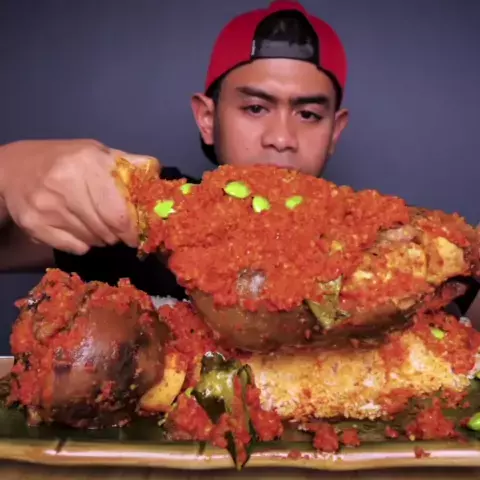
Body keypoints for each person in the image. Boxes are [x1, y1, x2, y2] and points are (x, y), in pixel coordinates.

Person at [0, 1, 478, 312]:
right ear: (208, 118)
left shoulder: (394, 241)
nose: (282, 138)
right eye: (255, 108)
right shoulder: (136, 212)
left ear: (335, 131)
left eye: (309, 114)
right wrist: (12, 169)